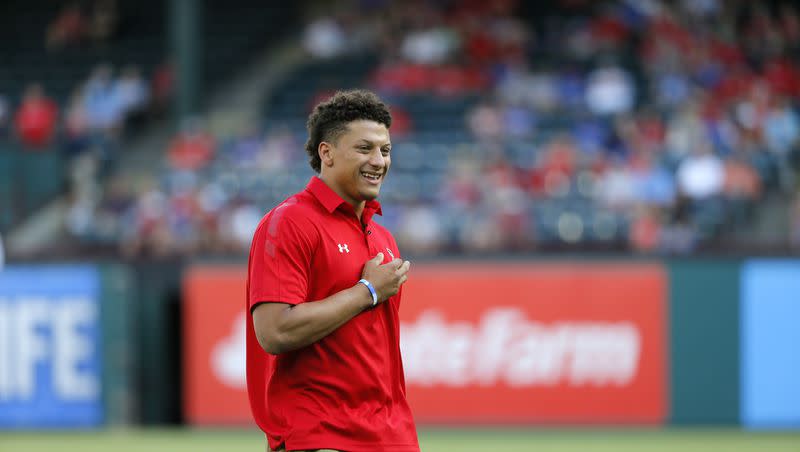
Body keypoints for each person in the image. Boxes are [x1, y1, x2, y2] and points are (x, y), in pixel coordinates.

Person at [246, 90, 419, 452]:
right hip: (320, 433)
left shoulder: (382, 235)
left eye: (385, 150)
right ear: (326, 153)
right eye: (364, 148)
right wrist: (366, 292)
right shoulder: (290, 222)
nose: (379, 161)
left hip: (390, 434)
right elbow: (275, 331)